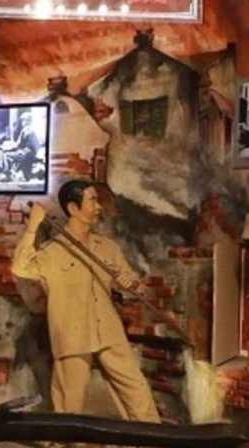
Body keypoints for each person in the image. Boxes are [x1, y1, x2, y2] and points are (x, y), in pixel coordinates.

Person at [11, 179, 161, 425]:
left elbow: (134, 286)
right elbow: (20, 267)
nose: (98, 206)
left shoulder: (107, 247)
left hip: (109, 331)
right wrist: (32, 227)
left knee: (137, 392)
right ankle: (63, 446)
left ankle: (154, 444)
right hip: (72, 335)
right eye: (92, 200)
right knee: (68, 403)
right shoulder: (52, 251)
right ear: (73, 208)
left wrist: (131, 284)